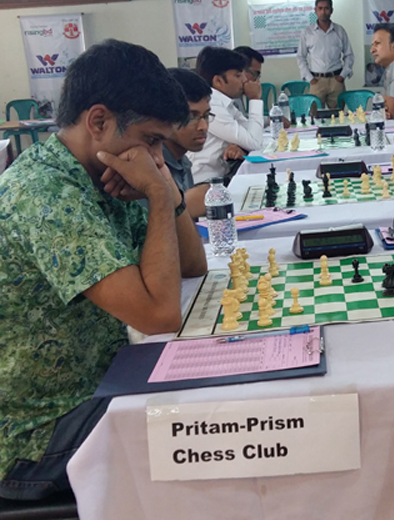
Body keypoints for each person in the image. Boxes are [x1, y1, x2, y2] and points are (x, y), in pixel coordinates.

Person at [0, 39, 207, 500]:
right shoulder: (45, 194)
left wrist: (165, 190)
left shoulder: (111, 172)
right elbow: (159, 316)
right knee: (212, 429)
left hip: (102, 384)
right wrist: (156, 196)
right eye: (152, 140)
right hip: (38, 436)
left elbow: (194, 265)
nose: (157, 155)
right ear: (98, 122)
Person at [188, 46, 264, 184]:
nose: (245, 80)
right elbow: (254, 143)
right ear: (218, 81)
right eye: (238, 75)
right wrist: (254, 100)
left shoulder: (225, 103)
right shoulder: (212, 105)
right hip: (203, 183)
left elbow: (252, 134)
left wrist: (240, 146)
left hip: (221, 176)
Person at [162, 68, 213, 218]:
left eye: (206, 115)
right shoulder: (152, 167)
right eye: (192, 116)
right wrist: (182, 209)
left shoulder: (182, 160)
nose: (203, 126)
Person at [296, 0, 355, 109]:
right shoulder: (307, 32)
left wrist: (342, 76)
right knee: (315, 117)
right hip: (316, 81)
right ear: (315, 10)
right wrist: (310, 79)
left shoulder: (339, 31)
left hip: (336, 81)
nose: (323, 11)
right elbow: (301, 57)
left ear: (331, 10)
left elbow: (349, 55)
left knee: (339, 117)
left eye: (326, 8)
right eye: (320, 8)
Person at [233, 46, 265, 114]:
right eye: (255, 74)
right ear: (240, 70)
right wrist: (255, 98)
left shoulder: (236, 95)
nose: (257, 81)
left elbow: (244, 121)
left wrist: (268, 120)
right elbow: (248, 125)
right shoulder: (225, 99)